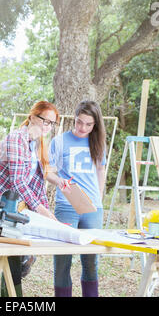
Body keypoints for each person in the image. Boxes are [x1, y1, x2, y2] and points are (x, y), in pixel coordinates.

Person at [0, 101, 62, 297]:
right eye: (45, 121)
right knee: (12, 259)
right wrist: (41, 211)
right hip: (1, 203)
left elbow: (36, 183)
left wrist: (47, 212)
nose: (47, 126)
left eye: (52, 123)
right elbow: (17, 183)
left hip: (18, 204)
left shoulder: (36, 144)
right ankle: (11, 296)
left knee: (16, 259)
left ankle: (12, 292)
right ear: (33, 117)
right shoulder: (16, 139)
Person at [47, 100, 106, 297]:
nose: (83, 128)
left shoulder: (97, 141)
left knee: (91, 261)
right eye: (79, 122)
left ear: (95, 124)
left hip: (92, 209)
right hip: (66, 206)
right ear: (74, 118)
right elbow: (48, 172)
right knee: (63, 261)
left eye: (88, 125)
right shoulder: (60, 141)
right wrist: (60, 182)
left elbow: (100, 170)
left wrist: (98, 200)